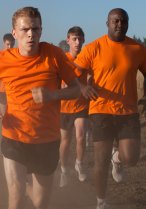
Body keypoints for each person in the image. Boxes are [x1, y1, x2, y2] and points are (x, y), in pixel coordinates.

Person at [0, 7, 95, 209]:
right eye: (25, 29)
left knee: (41, 204)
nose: (31, 34)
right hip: (14, 137)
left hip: (46, 140)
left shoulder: (53, 55)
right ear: (14, 32)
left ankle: (28, 185)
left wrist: (52, 94)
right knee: (16, 198)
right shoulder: (2, 59)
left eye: (36, 29)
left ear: (41, 30)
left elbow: (76, 89)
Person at [74, 8, 146, 209]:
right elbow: (73, 73)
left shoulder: (137, 48)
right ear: (107, 23)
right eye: (115, 20)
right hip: (100, 110)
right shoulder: (93, 48)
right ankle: (101, 202)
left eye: (124, 21)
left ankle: (117, 157)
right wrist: (83, 88)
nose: (119, 24)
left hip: (128, 111)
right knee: (100, 161)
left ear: (128, 23)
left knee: (132, 158)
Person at [58, 26, 89, 187]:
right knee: (65, 141)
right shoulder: (63, 59)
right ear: (68, 40)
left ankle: (80, 163)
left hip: (81, 105)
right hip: (64, 107)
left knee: (81, 135)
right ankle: (64, 169)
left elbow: (94, 76)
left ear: (84, 40)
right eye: (74, 39)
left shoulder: (87, 58)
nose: (77, 42)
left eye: (79, 39)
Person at [0, 33, 15, 114]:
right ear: (4, 43)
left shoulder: (17, 56)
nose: (10, 47)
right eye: (8, 44)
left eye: (12, 44)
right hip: (2, 91)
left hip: (13, 91)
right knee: (4, 115)